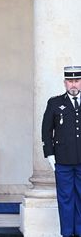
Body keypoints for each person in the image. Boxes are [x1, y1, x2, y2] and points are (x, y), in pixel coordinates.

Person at [42, 65, 81, 237]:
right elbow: (46, 130)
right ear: (65, 83)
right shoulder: (55, 103)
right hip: (63, 161)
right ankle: (67, 233)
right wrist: (49, 154)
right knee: (65, 200)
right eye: (70, 81)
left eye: (77, 81)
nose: (74, 85)